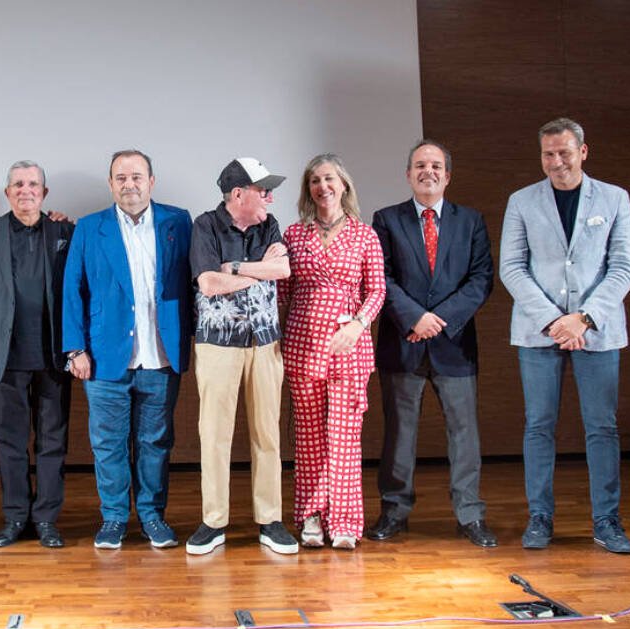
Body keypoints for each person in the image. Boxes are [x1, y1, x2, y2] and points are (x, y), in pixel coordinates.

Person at [499, 117, 630, 554]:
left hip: (597, 332)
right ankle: (539, 518)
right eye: (548, 154)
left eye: (564, 152)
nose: (556, 161)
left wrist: (584, 318)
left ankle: (607, 521)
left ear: (583, 151)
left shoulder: (615, 198)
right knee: (539, 426)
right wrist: (555, 321)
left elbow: (622, 267)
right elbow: (512, 267)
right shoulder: (521, 201)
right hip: (539, 334)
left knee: (602, 427)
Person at [367, 140, 496, 547]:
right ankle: (394, 511)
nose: (428, 171)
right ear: (408, 174)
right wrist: (415, 318)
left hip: (454, 345)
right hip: (402, 342)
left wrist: (438, 322)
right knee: (399, 434)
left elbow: (480, 280)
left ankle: (470, 514)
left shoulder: (470, 221)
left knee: (464, 434)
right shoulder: (386, 220)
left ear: (448, 175)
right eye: (420, 165)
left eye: (436, 165)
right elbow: (380, 278)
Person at [62, 149, 193, 550]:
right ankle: (115, 518)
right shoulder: (89, 228)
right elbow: (72, 290)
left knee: (155, 443)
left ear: (151, 182)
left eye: (136, 176)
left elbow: (192, 281)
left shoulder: (178, 222)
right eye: (120, 178)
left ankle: (153, 517)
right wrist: (74, 349)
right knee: (108, 444)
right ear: (110, 184)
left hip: (161, 355)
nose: (129, 184)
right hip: (104, 358)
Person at [185, 158, 296, 556]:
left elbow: (283, 271)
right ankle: (213, 522)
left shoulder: (270, 224)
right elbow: (210, 283)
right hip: (218, 345)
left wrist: (235, 266)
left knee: (267, 433)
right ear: (238, 194)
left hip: (265, 343)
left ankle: (270, 520)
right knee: (214, 435)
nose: (270, 196)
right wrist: (258, 270)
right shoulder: (205, 226)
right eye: (262, 189)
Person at [280, 153, 386, 551]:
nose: (322, 187)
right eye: (314, 181)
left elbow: (377, 290)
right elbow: (282, 294)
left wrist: (358, 325)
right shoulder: (293, 235)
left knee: (343, 437)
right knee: (308, 437)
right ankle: (310, 516)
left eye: (329, 179)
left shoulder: (365, 235)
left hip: (348, 346)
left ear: (343, 185)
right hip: (302, 345)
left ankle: (343, 520)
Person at [0, 161, 74, 549]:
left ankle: (46, 519)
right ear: (8, 191)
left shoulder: (66, 231)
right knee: (9, 442)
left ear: (44, 194)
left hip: (53, 356)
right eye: (17, 184)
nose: (25, 190)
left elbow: (78, 293)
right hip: (3, 357)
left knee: (52, 441)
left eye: (33, 184)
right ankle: (14, 517)